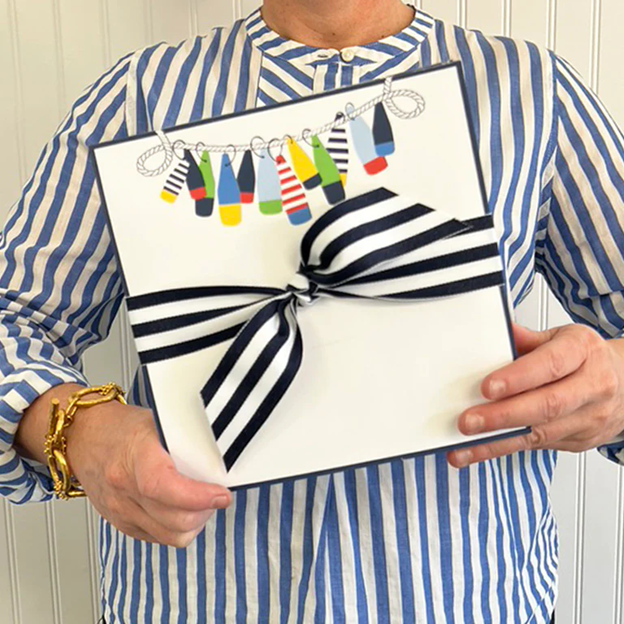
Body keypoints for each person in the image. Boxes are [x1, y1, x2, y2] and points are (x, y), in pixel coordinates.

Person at [2, 0, 624, 622]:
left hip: (469, 596)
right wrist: (81, 432)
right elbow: (13, 317)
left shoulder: (533, 92)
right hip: (196, 595)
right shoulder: (136, 100)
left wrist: (613, 386)